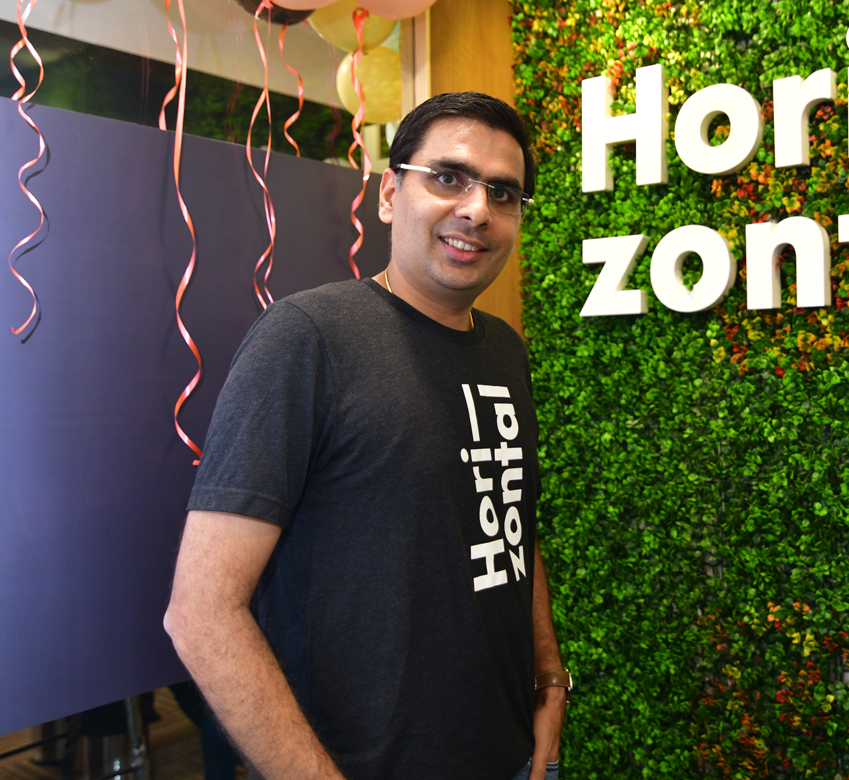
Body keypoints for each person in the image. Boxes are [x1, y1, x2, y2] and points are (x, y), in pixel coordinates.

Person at [164, 92, 567, 780]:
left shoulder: (504, 349)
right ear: (389, 193)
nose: (477, 209)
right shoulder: (308, 339)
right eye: (448, 177)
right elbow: (201, 612)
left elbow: (508, 524)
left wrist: (550, 676)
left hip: (511, 755)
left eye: (503, 193)